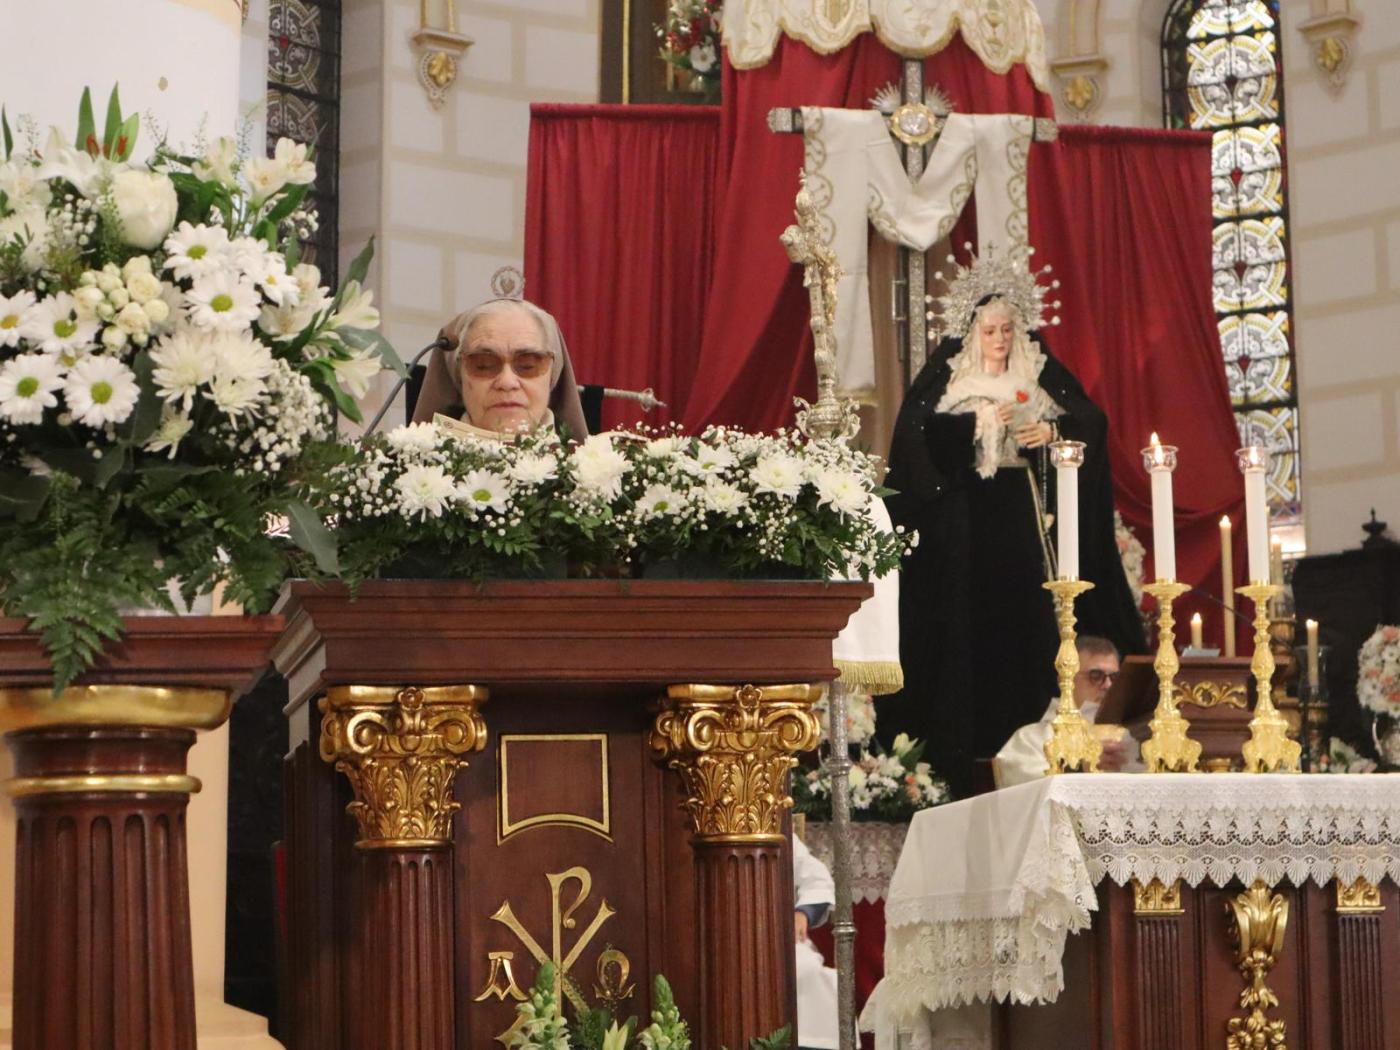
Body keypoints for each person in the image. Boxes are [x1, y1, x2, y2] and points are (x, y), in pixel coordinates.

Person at [880, 251, 1143, 800]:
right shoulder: (953, 380)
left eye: (1006, 330)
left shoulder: (1036, 374)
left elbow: (1089, 422)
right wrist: (977, 423)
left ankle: (1038, 749)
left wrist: (1051, 435)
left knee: (1036, 623)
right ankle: (961, 756)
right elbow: (915, 443)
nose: (999, 339)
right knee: (965, 632)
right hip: (965, 528)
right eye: (990, 331)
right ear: (973, 334)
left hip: (1023, 520)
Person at [412, 294, 589, 439]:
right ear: (459, 376)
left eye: (527, 366)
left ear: (552, 375)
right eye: (484, 365)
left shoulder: (591, 470)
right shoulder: (417, 470)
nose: (507, 382)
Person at [994, 635, 1135, 786]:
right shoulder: (1032, 739)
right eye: (1095, 675)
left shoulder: (1130, 735)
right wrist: (1081, 768)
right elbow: (1023, 782)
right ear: (1066, 679)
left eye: (1114, 677)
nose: (1108, 685)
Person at [794, 834, 839, 1050]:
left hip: (775, 936)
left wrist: (803, 913)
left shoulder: (774, 824)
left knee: (807, 971)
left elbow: (818, 880)